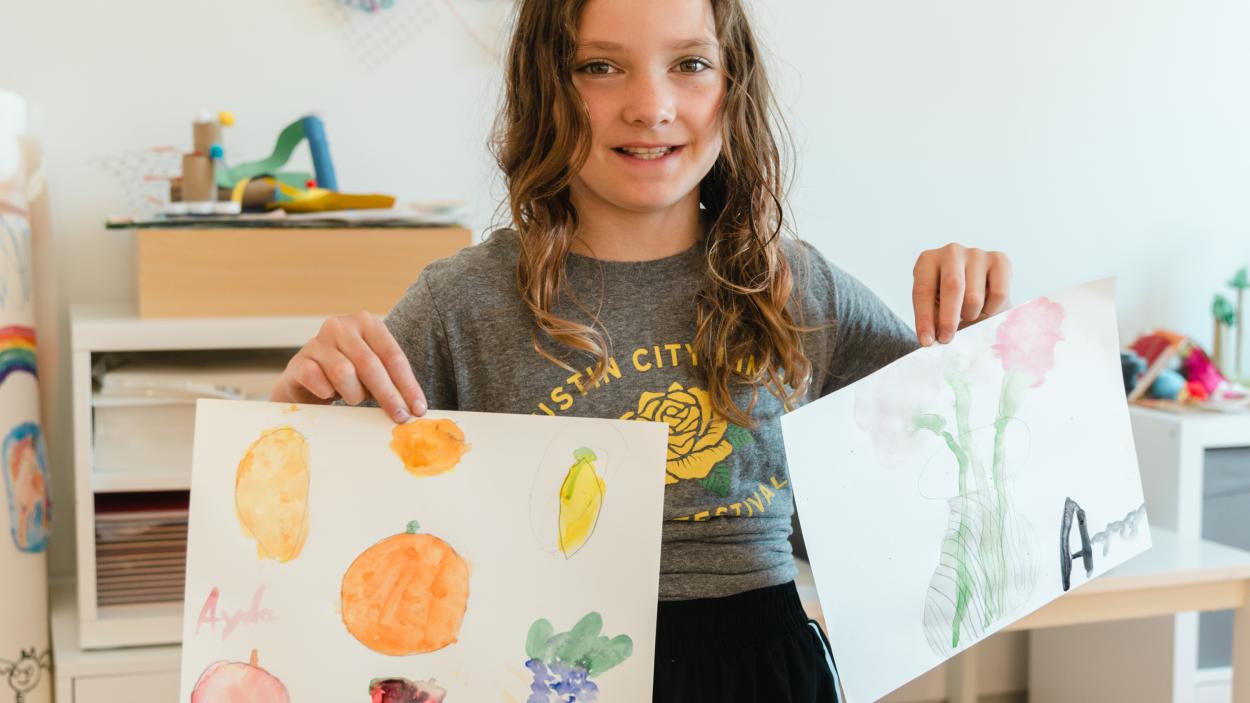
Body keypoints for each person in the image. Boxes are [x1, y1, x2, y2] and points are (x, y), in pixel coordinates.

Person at [272, 0, 1012, 699]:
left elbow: (959, 479)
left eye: (690, 64)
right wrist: (300, 408)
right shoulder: (460, 304)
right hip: (551, 672)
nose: (650, 105)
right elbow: (314, 533)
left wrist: (978, 336)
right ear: (545, 89)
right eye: (599, 67)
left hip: (770, 672)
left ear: (733, 85)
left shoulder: (796, 285)